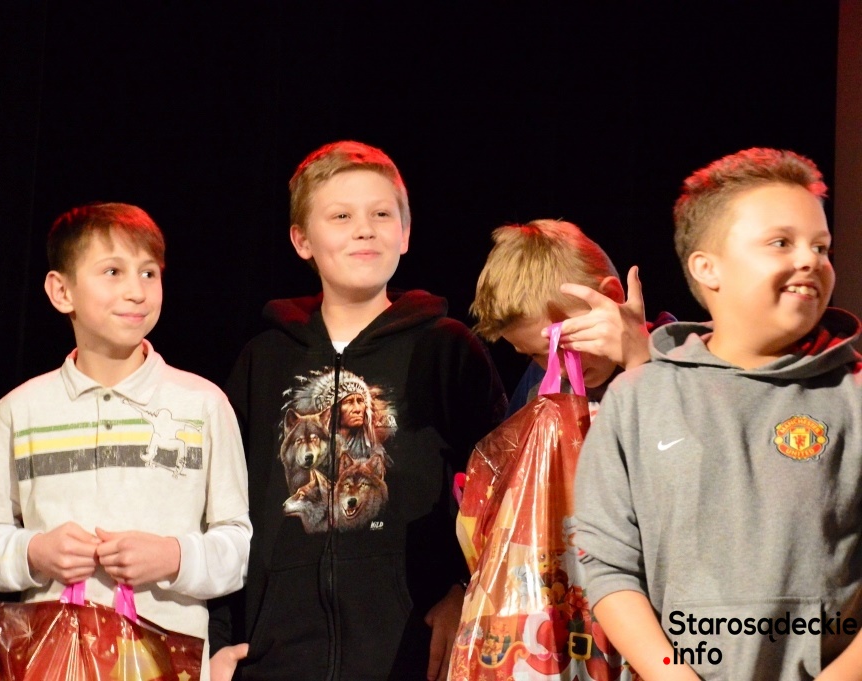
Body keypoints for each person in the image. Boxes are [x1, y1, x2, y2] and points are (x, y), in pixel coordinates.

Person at [210, 140, 507, 681]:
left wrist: (463, 591)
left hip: (412, 653)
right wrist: (219, 641)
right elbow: (224, 504)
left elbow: (501, 494)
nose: (364, 230)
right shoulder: (264, 358)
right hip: (278, 657)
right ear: (302, 240)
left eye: (381, 214)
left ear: (406, 233)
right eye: (341, 216)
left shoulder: (446, 349)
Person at [573, 148, 862, 680]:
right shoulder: (637, 400)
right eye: (781, 242)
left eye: (821, 246)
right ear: (708, 268)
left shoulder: (854, 395)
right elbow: (608, 563)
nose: (810, 260)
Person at [0, 202, 252, 679]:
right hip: (54, 663)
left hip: (165, 663)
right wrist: (35, 552)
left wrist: (173, 557)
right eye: (113, 272)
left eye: (149, 273)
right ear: (62, 291)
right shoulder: (22, 409)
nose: (136, 290)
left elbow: (238, 547)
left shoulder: (203, 405)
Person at [470, 219, 662, 419]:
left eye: (562, 346)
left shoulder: (678, 361)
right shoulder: (538, 384)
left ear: (611, 296)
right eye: (535, 355)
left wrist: (641, 362)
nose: (559, 371)